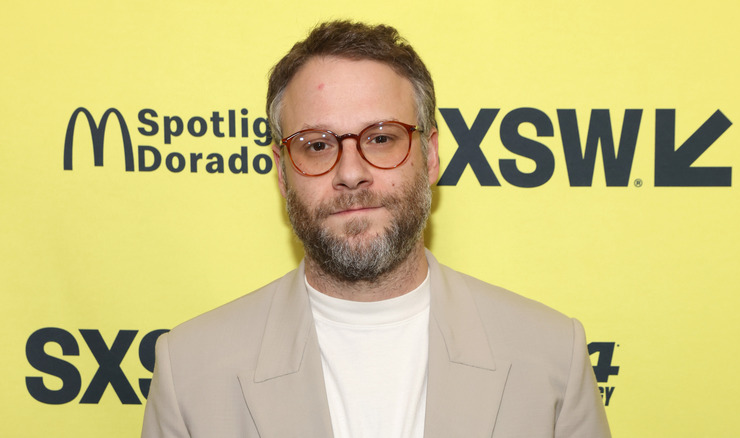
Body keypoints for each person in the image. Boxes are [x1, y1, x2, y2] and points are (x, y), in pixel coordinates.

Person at [141, 20, 611, 438]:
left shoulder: (551, 357)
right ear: (283, 175)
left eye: (381, 138)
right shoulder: (190, 371)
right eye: (317, 145)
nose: (350, 172)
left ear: (430, 157)